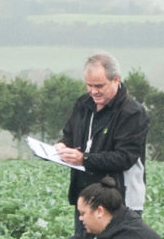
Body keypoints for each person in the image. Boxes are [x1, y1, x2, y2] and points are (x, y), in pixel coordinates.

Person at [52, 54, 149, 213]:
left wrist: (84, 159)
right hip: (85, 198)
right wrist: (62, 145)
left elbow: (125, 157)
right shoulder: (83, 104)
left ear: (116, 80)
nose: (93, 91)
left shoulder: (132, 113)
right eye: (89, 85)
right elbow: (70, 134)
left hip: (119, 201)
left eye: (99, 86)